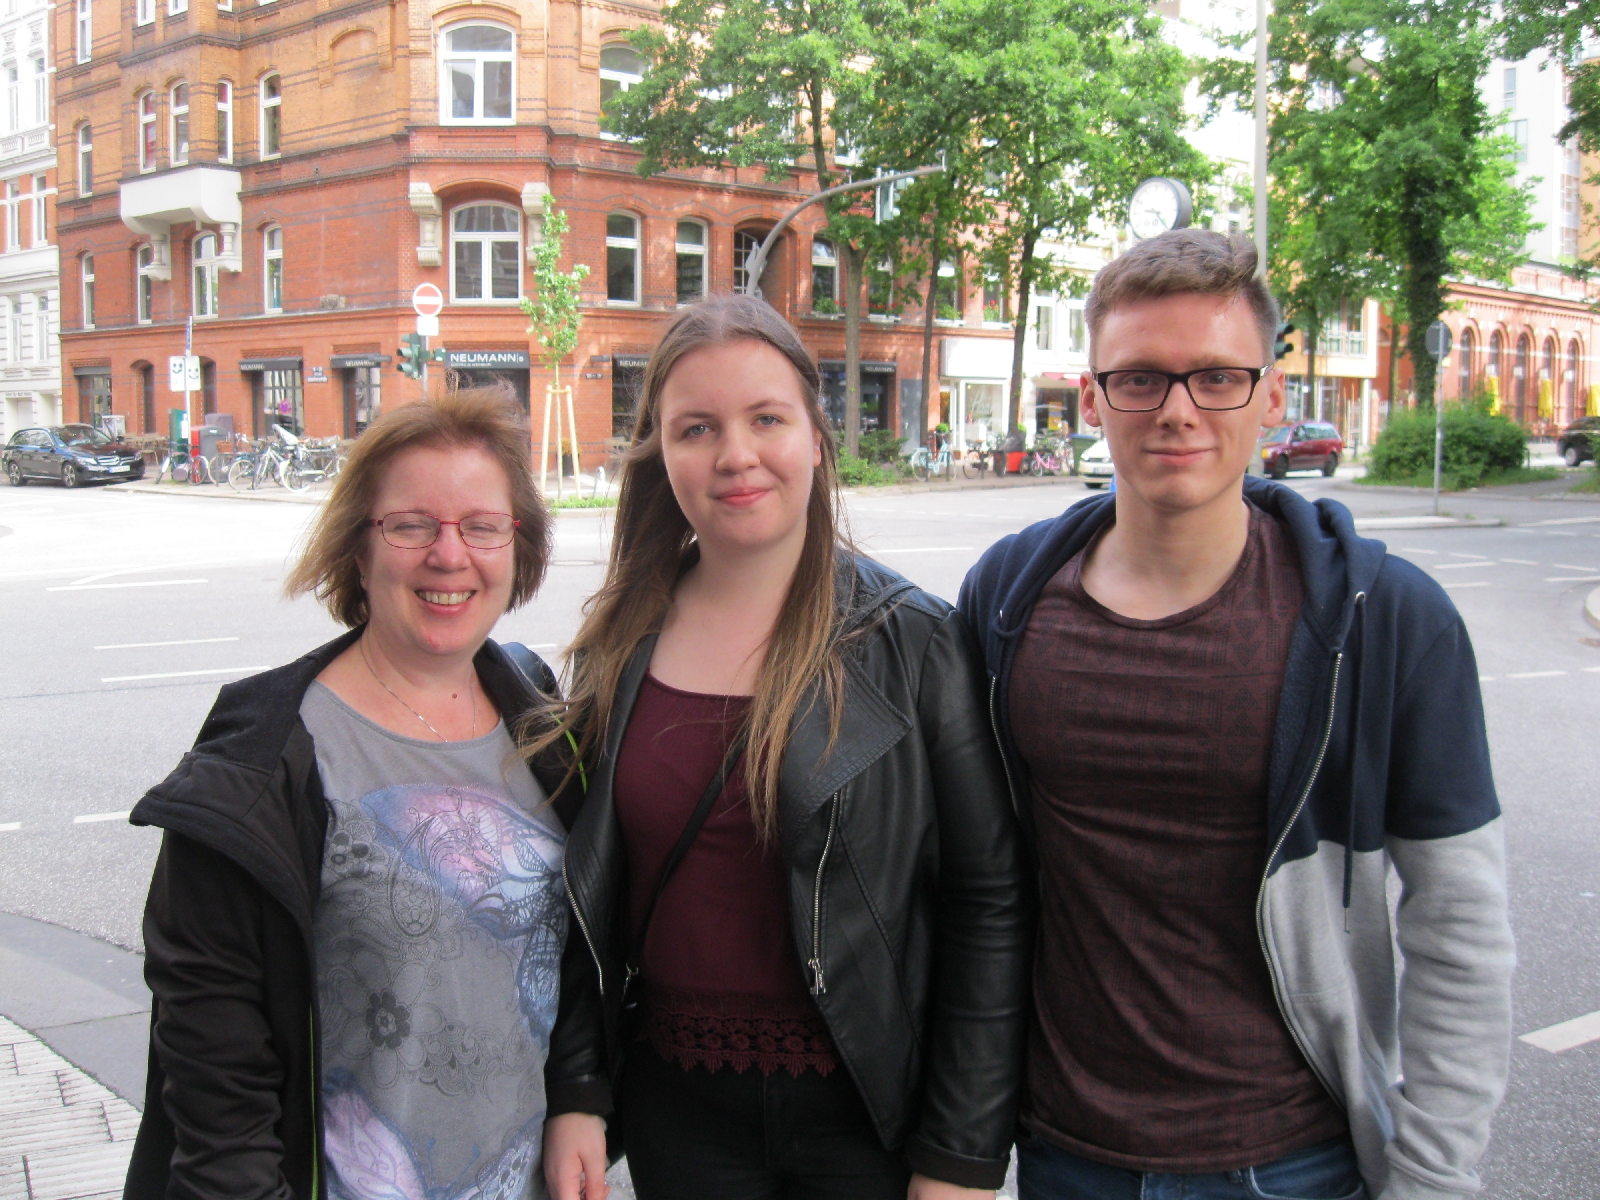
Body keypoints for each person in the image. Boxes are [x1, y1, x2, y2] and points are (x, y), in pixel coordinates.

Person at [959, 230, 1514, 1200]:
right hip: (1062, 1154)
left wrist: (1432, 1177)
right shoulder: (1007, 599)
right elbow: (964, 877)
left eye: (1216, 377)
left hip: (1291, 1162)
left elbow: (1459, 927)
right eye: (1138, 379)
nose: (1176, 412)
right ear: (1090, 397)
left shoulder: (1384, 621)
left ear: (1268, 396)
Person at [535, 293, 1029, 1200]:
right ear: (660, 455)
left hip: (868, 1123)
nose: (735, 455)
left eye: (767, 418)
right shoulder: (622, 642)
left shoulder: (911, 642)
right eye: (695, 428)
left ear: (815, 436)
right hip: (676, 1119)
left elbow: (988, 903)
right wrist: (577, 1086)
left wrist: (959, 1157)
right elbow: (585, 891)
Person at [123, 389, 577, 1200]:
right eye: (411, 525)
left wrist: (584, 1099)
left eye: (481, 525)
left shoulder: (542, 723)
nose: (450, 554)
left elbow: (578, 964)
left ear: (519, 547)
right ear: (359, 552)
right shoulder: (259, 769)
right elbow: (219, 1102)